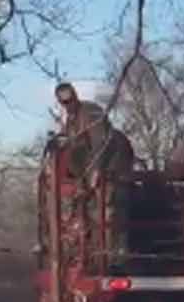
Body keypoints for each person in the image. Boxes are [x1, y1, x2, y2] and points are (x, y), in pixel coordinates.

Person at [54, 82, 134, 271]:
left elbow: (100, 141)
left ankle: (115, 259)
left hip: (113, 166)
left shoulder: (90, 111)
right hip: (91, 171)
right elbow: (72, 147)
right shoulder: (71, 121)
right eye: (63, 102)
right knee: (85, 210)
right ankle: (89, 253)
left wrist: (97, 171)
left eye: (70, 99)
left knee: (110, 209)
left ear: (75, 96)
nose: (68, 104)